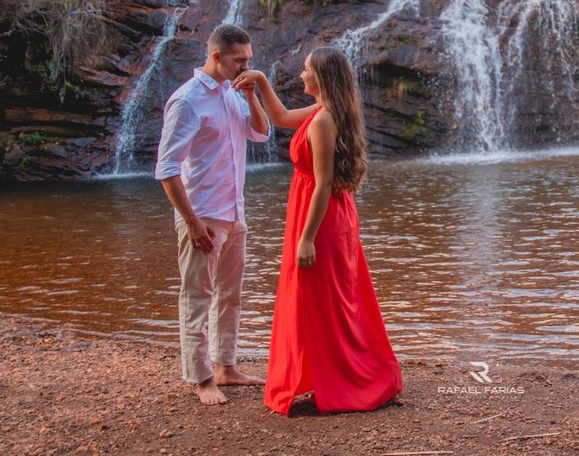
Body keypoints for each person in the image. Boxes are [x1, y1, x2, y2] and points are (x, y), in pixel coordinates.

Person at [234, 46, 402, 415]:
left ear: (321, 77)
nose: (301, 75)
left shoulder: (325, 120)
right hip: (319, 212)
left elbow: (324, 182)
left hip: (320, 218)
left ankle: (349, 381)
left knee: (325, 301)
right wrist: (258, 83)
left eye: (306, 70)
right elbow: (278, 117)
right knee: (322, 300)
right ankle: (327, 376)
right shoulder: (321, 111)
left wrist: (307, 237)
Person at [154, 23, 272, 405]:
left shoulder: (233, 93)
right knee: (197, 297)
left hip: (235, 211)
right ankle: (202, 378)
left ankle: (226, 366)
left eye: (249, 60)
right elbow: (167, 168)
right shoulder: (187, 100)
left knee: (231, 296)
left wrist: (252, 95)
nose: (246, 66)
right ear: (217, 56)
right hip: (203, 214)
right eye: (240, 60)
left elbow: (261, 134)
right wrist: (190, 221)